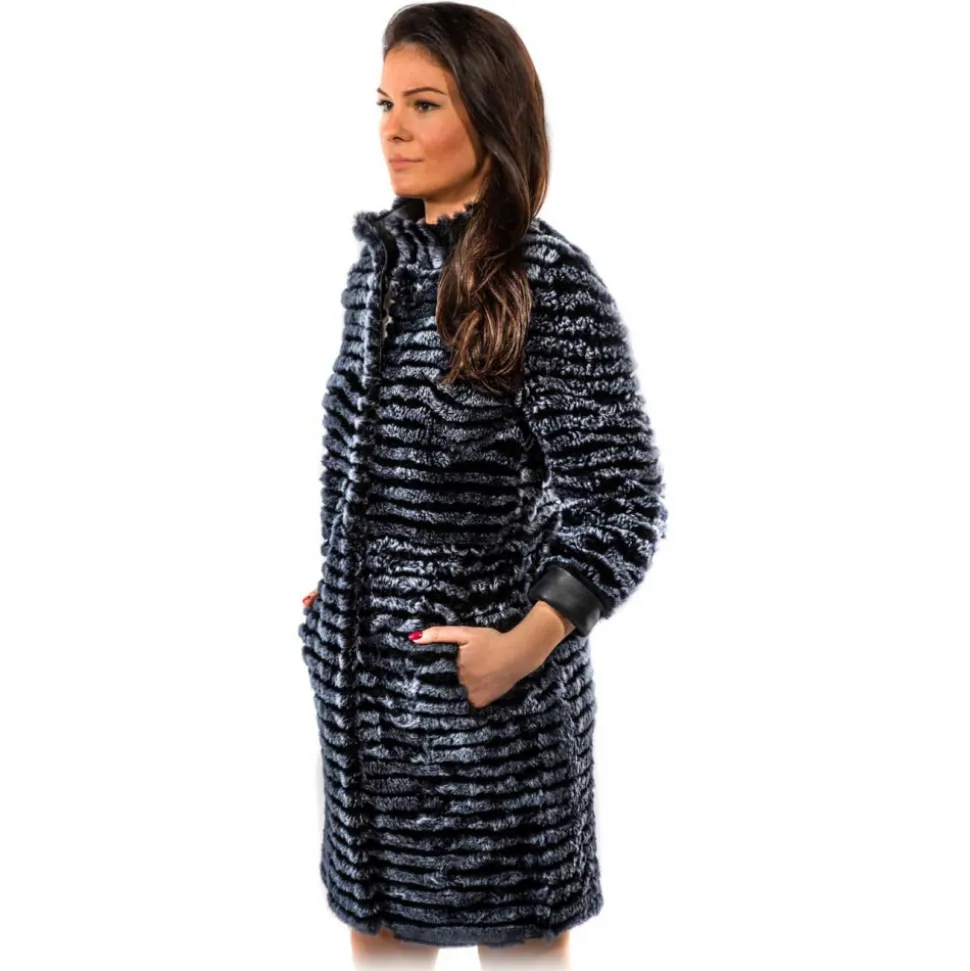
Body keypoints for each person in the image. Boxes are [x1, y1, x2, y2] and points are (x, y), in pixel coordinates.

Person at [298, 4, 668, 966]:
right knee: (379, 930)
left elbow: (621, 498)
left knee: (519, 943)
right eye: (385, 103)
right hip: (368, 705)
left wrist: (520, 647)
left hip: (495, 719)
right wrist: (338, 590)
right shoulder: (378, 275)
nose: (393, 128)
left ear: (491, 114)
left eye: (425, 104)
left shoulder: (546, 279)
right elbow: (357, 463)